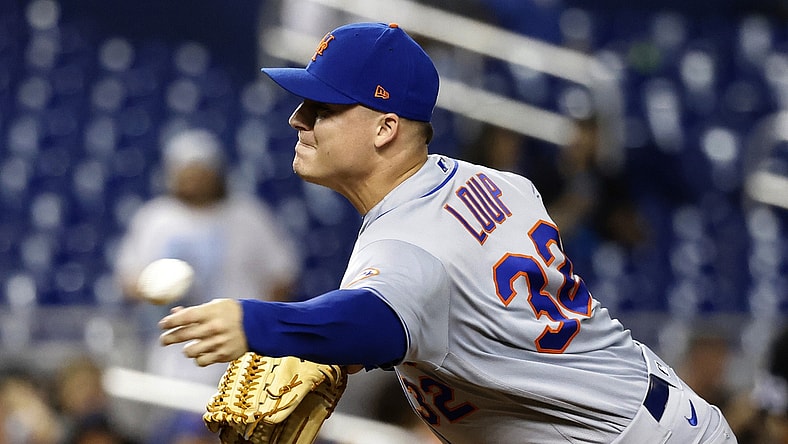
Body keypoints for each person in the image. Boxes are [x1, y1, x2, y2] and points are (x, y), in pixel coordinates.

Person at [158, 22, 737, 443]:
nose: (298, 119)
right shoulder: (502, 184)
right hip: (666, 414)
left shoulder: (407, 243)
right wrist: (347, 353)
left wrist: (257, 323)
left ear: (386, 128)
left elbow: (381, 313)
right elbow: (448, 304)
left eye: (323, 106)